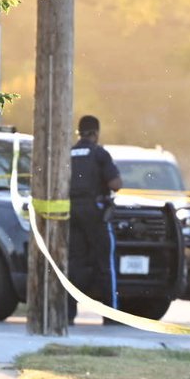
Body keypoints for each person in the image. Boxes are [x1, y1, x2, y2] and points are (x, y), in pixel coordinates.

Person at [68, 114, 123, 324]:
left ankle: (68, 313)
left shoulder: (70, 153)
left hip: (72, 212)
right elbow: (115, 184)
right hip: (95, 213)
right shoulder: (99, 153)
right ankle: (111, 315)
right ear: (96, 133)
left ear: (79, 133)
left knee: (74, 264)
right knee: (105, 264)